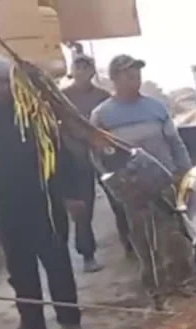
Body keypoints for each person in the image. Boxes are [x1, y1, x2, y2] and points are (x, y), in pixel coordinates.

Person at [0, 55, 84, 329]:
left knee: (57, 262)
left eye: (0, 84)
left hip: (46, 203)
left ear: (12, 85)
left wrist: (72, 195)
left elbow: (62, 157)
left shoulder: (35, 116)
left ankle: (69, 320)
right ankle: (31, 323)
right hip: (6, 207)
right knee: (19, 268)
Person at [90, 54, 193, 307]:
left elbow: (175, 143)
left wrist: (184, 172)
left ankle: (180, 285)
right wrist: (114, 184)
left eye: (136, 73)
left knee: (172, 236)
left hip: (164, 183)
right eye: (127, 73)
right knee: (145, 241)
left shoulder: (156, 108)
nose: (134, 78)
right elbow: (97, 155)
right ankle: (156, 291)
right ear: (114, 79)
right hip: (134, 189)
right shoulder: (102, 115)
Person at [61, 54, 132, 271]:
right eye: (79, 66)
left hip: (103, 156)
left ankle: (131, 245)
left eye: (87, 66)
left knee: (120, 201)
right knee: (83, 210)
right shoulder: (61, 97)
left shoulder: (102, 97)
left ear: (93, 71)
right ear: (73, 71)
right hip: (76, 159)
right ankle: (87, 256)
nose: (83, 71)